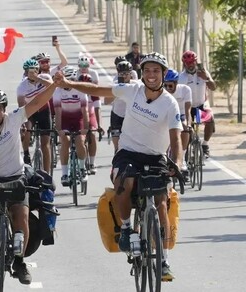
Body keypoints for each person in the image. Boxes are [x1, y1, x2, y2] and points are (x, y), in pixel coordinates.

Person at [56, 52, 183, 280]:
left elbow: (175, 139)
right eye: (147, 71)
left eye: (156, 71)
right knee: (126, 182)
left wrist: (179, 163)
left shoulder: (170, 103)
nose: (151, 75)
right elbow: (98, 90)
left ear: (163, 74)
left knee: (162, 202)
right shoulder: (132, 89)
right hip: (128, 153)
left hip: (155, 157)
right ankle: (126, 227)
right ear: (141, 74)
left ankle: (163, 259)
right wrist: (68, 84)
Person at [0, 72, 60, 285]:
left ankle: (19, 262)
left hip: (16, 175)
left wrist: (54, 85)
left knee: (22, 215)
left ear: (4, 108)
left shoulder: (14, 118)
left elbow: (37, 101)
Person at [52, 67, 90, 186]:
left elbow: (85, 112)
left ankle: (82, 168)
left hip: (78, 119)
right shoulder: (57, 91)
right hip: (65, 120)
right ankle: (64, 173)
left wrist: (86, 128)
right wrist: (59, 130)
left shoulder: (80, 90)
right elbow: (58, 113)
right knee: (65, 141)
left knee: (80, 140)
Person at [17, 59, 53, 173]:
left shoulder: (45, 77)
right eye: (30, 71)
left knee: (45, 144)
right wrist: (22, 122)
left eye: (35, 70)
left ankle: (47, 173)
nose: (33, 72)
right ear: (26, 72)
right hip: (30, 111)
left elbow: (53, 86)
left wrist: (37, 79)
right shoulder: (22, 86)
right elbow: (21, 105)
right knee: (27, 129)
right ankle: (26, 153)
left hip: (44, 111)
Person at [178, 50, 216, 157]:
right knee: (187, 130)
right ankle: (186, 151)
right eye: (187, 63)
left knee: (210, 120)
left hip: (201, 106)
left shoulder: (203, 73)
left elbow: (213, 87)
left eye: (192, 62)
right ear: (184, 64)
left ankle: (205, 145)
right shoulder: (181, 77)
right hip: (188, 108)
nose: (190, 65)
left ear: (196, 62)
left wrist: (207, 79)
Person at [77, 54, 102, 174]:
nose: (83, 67)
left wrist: (99, 125)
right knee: (78, 137)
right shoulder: (75, 76)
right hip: (78, 113)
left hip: (90, 111)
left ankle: (92, 163)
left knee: (92, 135)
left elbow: (97, 108)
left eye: (85, 65)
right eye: (81, 66)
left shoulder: (93, 85)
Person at [164, 69, 192, 173]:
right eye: (165, 85)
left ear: (176, 83)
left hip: (181, 114)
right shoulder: (162, 92)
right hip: (166, 115)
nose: (167, 88)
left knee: (184, 127)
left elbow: (188, 110)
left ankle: (183, 157)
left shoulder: (185, 90)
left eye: (170, 86)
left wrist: (189, 124)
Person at [106, 60, 136, 152]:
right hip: (117, 116)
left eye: (127, 73)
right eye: (122, 73)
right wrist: (117, 91)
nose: (124, 76)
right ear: (118, 73)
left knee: (133, 147)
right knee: (118, 148)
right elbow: (106, 101)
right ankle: (117, 165)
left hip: (131, 117)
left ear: (131, 74)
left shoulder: (135, 84)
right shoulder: (115, 84)